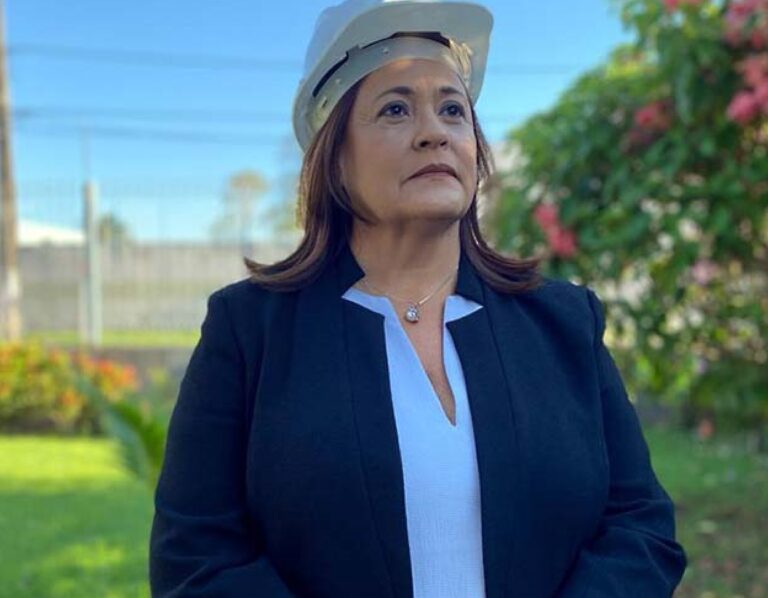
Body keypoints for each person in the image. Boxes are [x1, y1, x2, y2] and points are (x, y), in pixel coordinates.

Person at [148, 0, 687, 596]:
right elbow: (196, 557)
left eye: (453, 110)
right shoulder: (250, 331)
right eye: (396, 109)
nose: (435, 132)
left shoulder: (564, 323)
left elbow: (641, 526)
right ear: (335, 159)